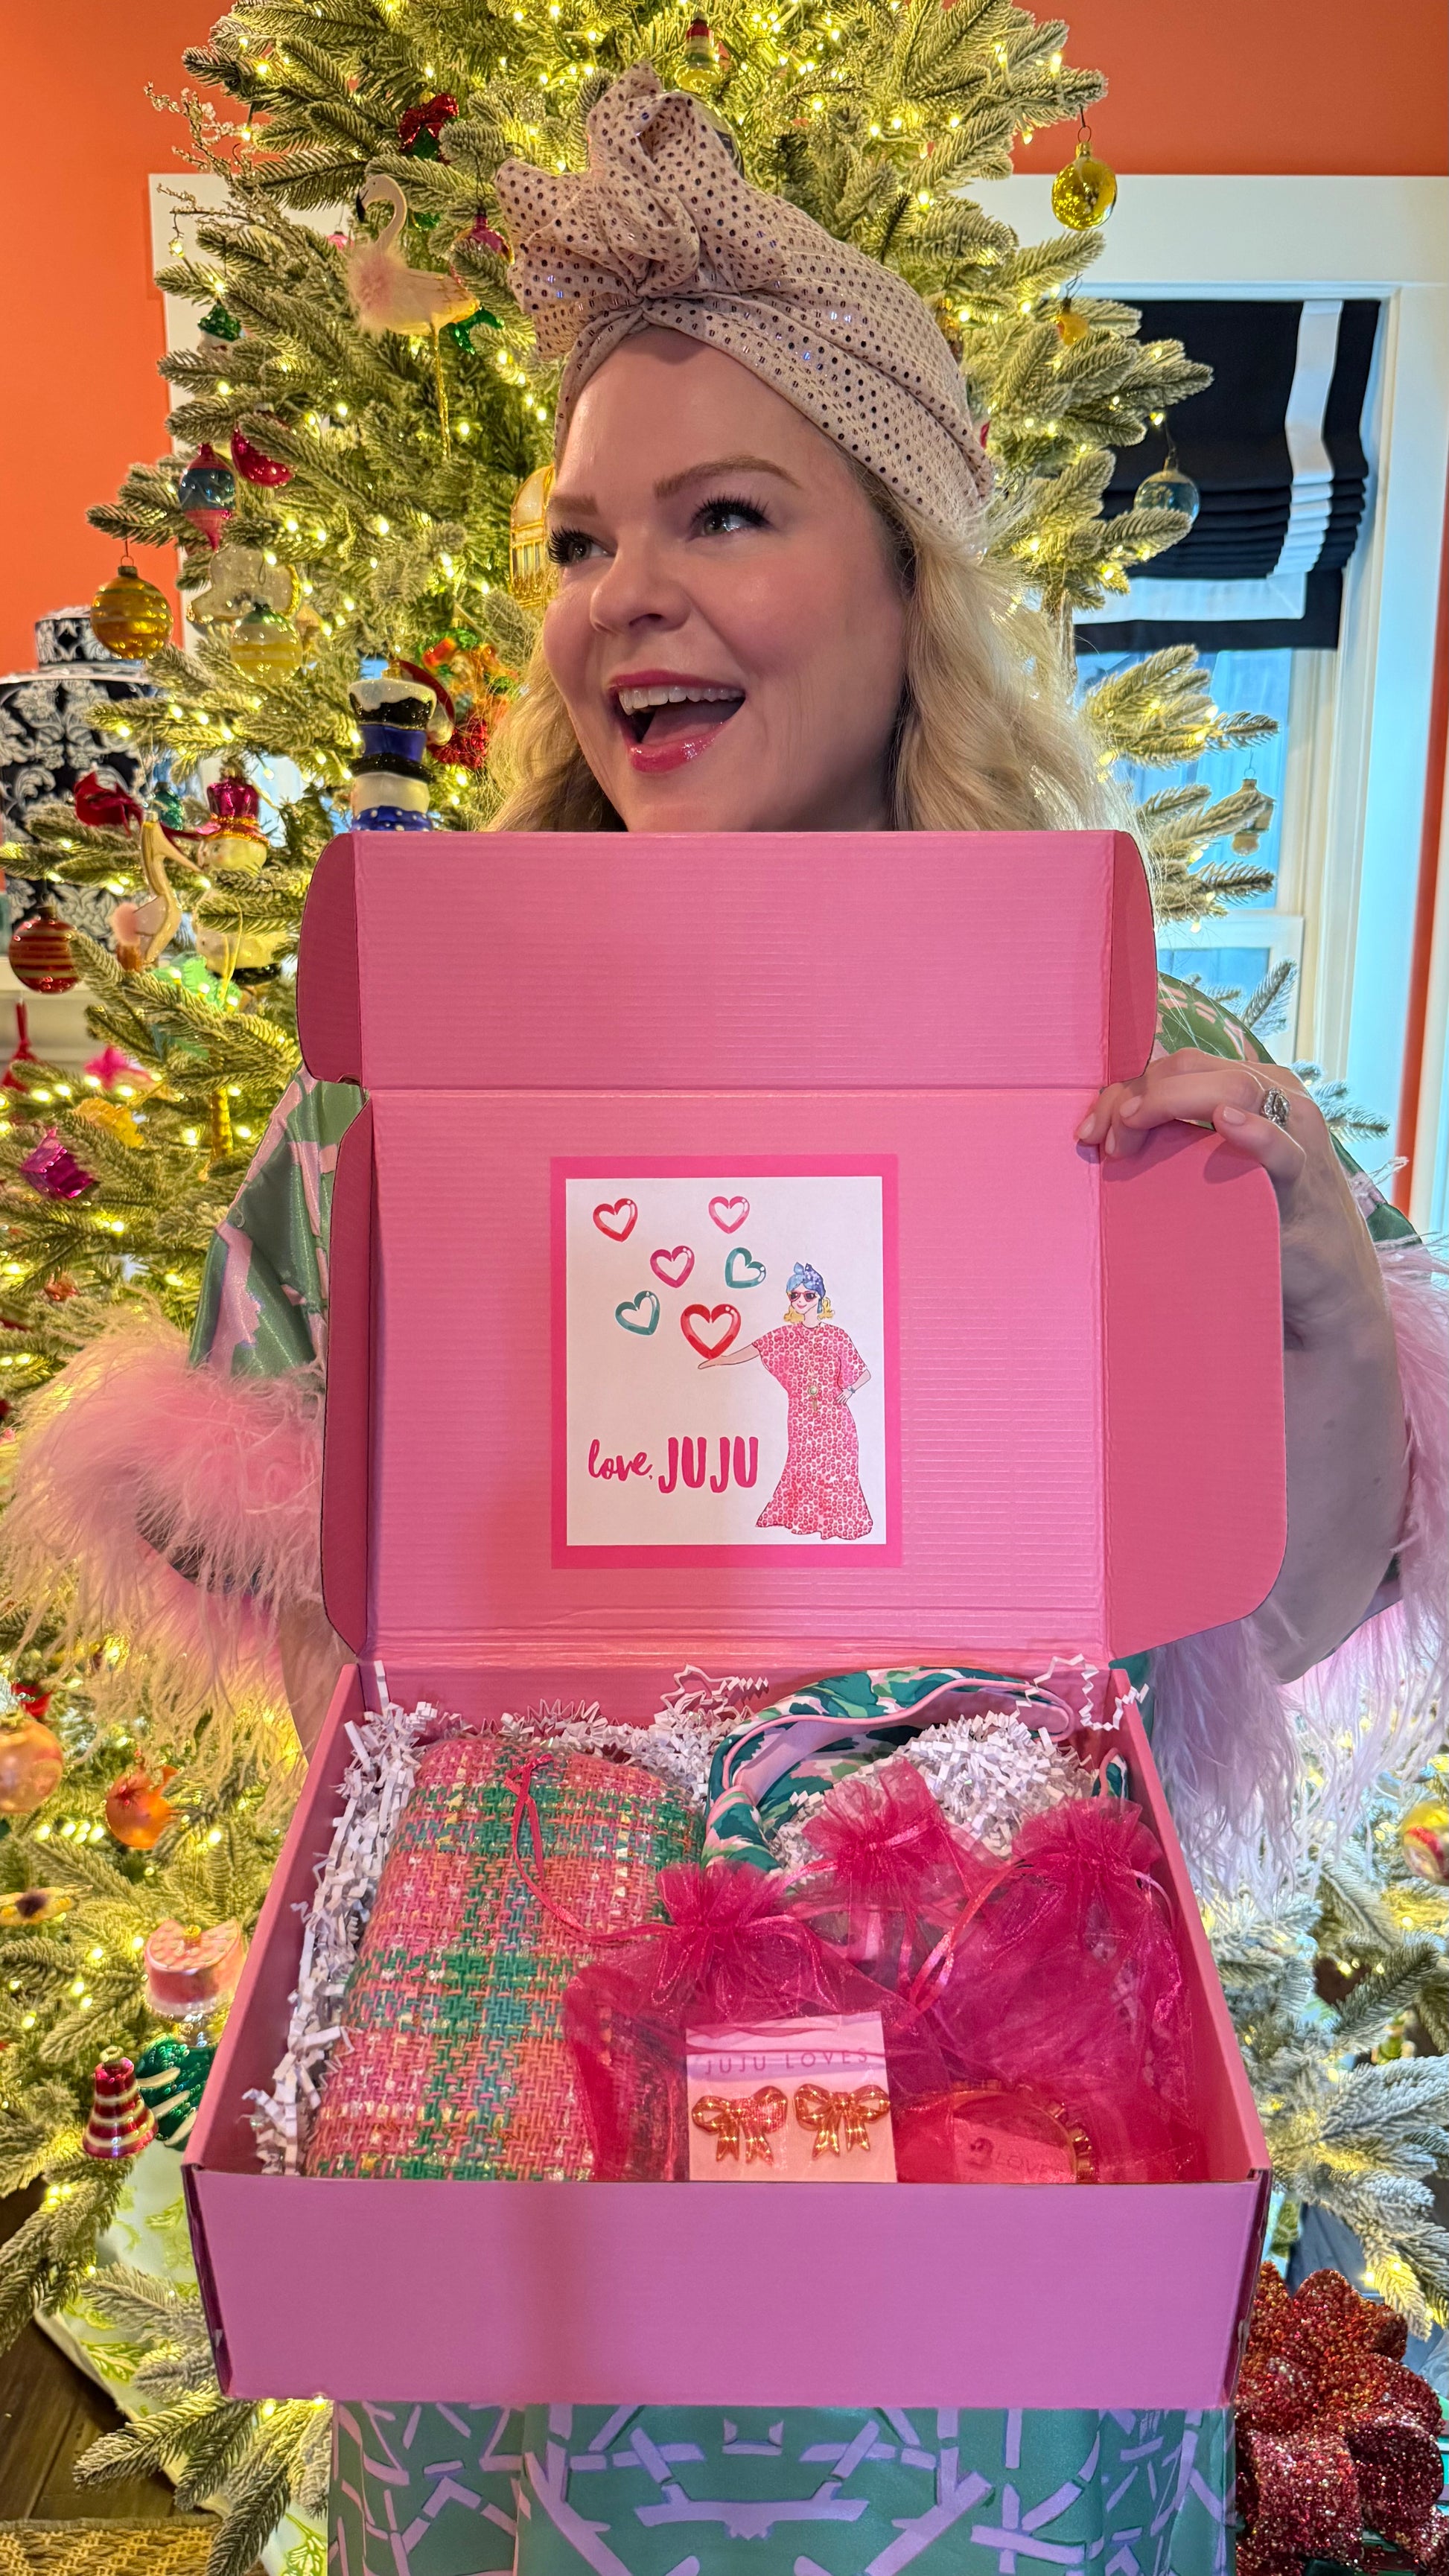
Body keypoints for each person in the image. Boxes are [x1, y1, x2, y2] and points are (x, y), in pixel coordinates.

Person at [7, 63, 1445, 2576]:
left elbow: (1281, 1617)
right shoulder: (430, 1047)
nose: (616, 595)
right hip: (532, 2209)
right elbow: (292, 1594)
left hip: (995, 2208)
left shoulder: (1129, 1068)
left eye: (723, 516)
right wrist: (435, 1468)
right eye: (577, 537)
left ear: (906, 589)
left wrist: (1320, 1312)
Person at [700, 1262, 874, 1539]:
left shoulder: (837, 1336)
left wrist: (850, 1390)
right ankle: (805, 1520)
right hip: (802, 1417)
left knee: (838, 1468)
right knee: (802, 1464)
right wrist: (721, 1360)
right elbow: (755, 1349)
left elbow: (864, 1372)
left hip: (836, 1419)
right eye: (795, 1295)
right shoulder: (786, 1336)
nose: (801, 1301)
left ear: (820, 1298)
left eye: (809, 1295)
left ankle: (835, 1523)